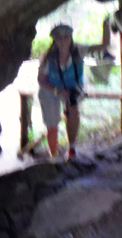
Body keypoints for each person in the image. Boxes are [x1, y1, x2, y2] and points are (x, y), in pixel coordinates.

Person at [37, 18, 111, 159]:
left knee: (73, 112)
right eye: (59, 38)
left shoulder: (78, 50)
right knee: (52, 124)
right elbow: (41, 80)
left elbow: (103, 45)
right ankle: (54, 155)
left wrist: (106, 25)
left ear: (71, 38)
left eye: (66, 37)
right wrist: (57, 91)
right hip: (51, 89)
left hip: (72, 87)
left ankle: (71, 150)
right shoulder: (49, 58)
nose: (63, 41)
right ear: (55, 40)